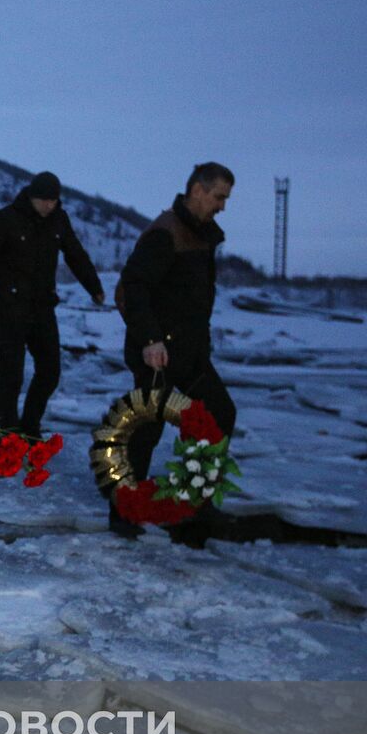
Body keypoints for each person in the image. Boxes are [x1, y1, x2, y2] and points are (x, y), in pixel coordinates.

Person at [113, 162, 237, 537]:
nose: (222, 206)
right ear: (197, 190)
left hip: (190, 352)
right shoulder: (165, 233)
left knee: (218, 414)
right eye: (219, 197)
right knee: (147, 429)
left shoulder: (200, 234)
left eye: (226, 199)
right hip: (157, 353)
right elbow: (131, 288)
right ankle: (123, 514)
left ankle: (194, 508)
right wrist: (150, 339)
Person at [0, 171, 105, 438]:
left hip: (42, 306)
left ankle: (30, 425)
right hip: (10, 306)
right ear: (32, 197)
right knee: (11, 374)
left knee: (50, 371)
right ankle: (10, 434)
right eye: (45, 201)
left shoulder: (59, 219)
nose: (50, 205)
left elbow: (76, 255)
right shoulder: (6, 219)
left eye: (54, 201)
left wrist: (94, 287)